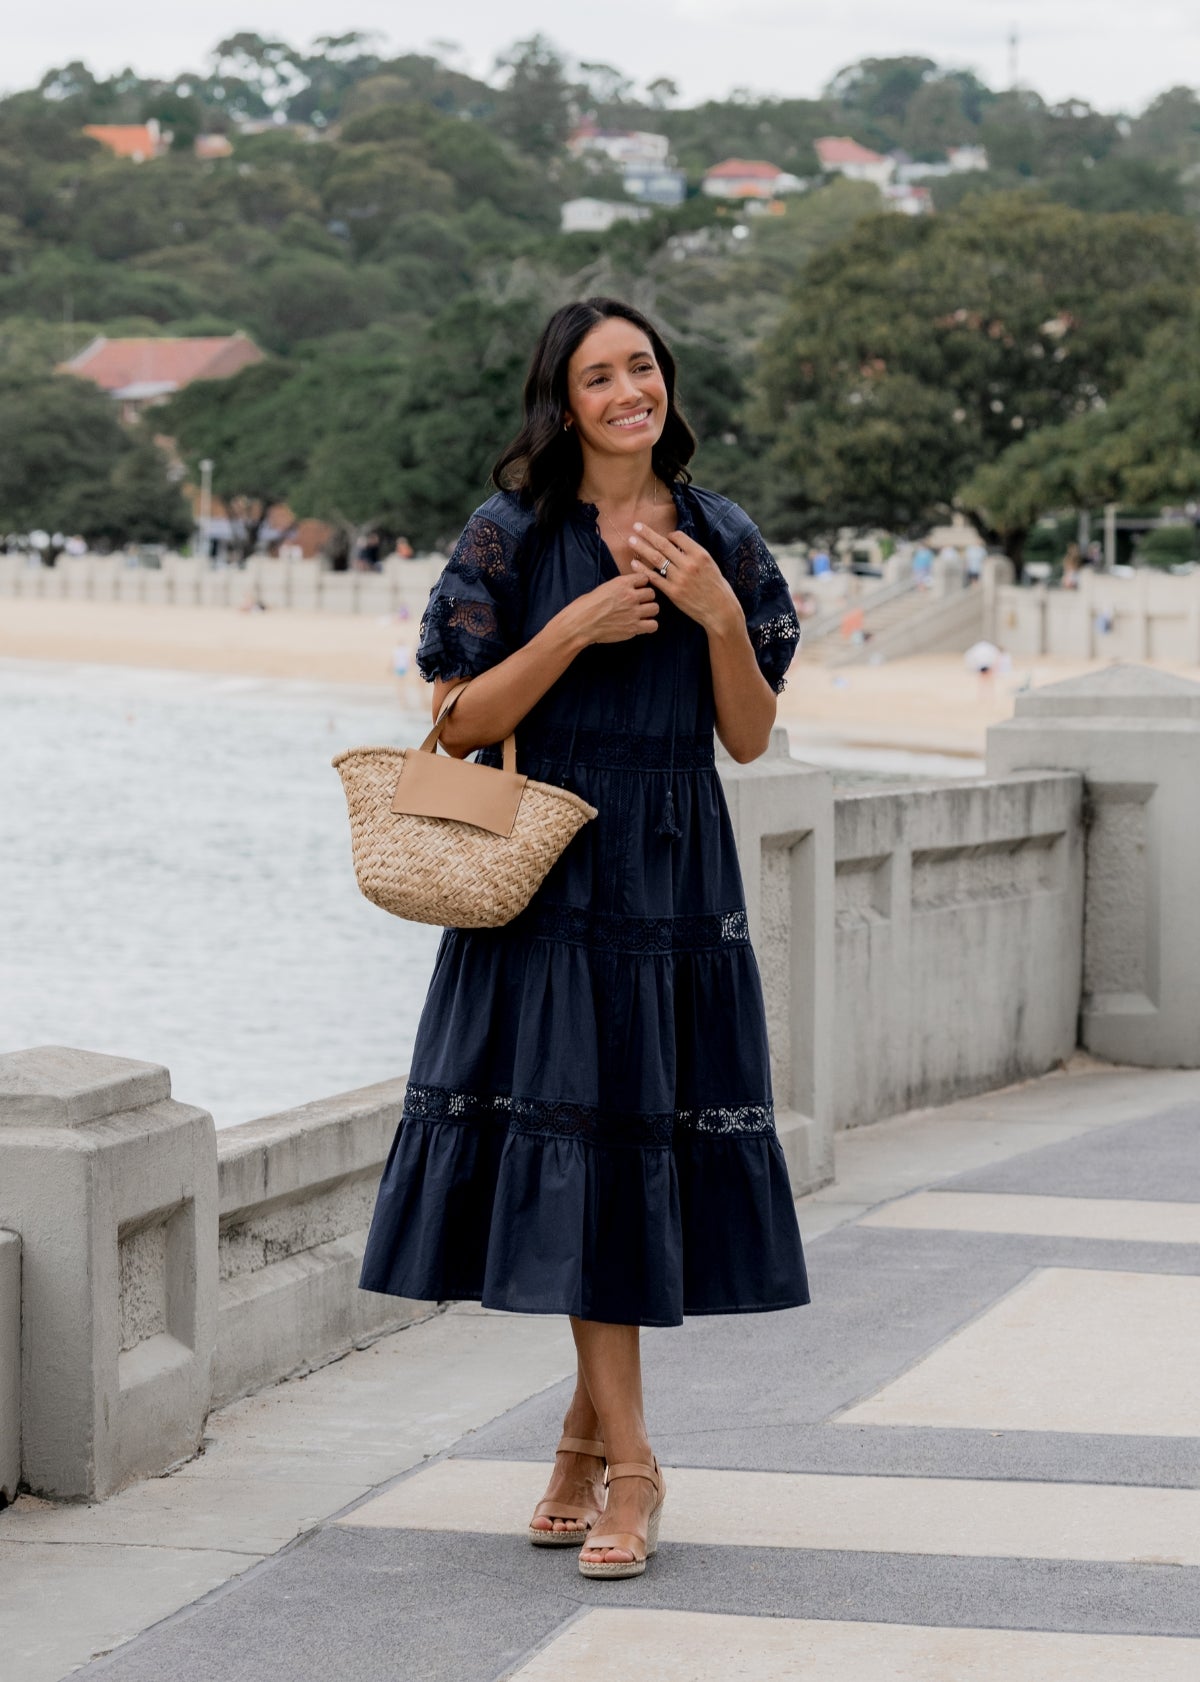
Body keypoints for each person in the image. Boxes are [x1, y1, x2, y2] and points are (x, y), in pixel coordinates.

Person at [358, 297, 809, 1581]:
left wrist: (720, 615)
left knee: (629, 1150)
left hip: (673, 885)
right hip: (550, 880)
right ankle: (636, 1467)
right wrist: (574, 625)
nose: (629, 392)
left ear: (668, 384)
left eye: (645, 368)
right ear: (563, 399)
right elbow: (452, 724)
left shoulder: (725, 535)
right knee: (587, 1151)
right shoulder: (512, 534)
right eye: (601, 375)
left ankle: (578, 1441)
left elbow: (749, 735)